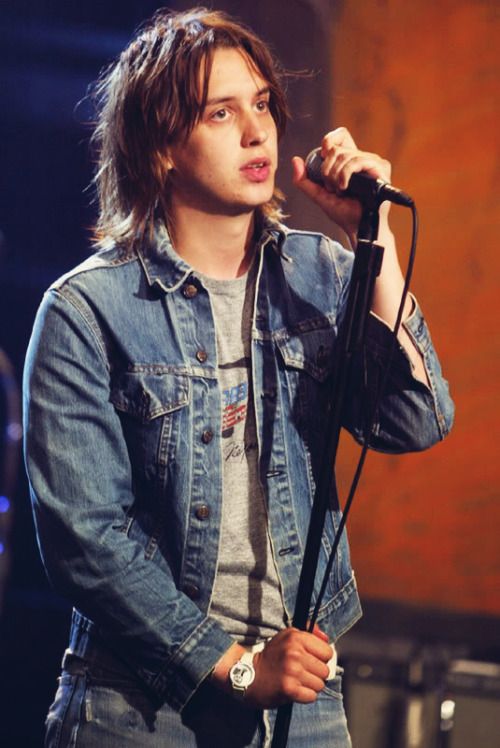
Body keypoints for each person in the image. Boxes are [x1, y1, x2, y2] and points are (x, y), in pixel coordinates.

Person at [23, 7, 454, 747]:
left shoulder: (320, 276)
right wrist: (238, 667)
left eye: (261, 105)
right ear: (160, 146)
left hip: (304, 701)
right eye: (221, 113)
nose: (257, 132)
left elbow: (415, 420)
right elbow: (84, 540)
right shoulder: (86, 310)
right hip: (137, 702)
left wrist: (368, 234)